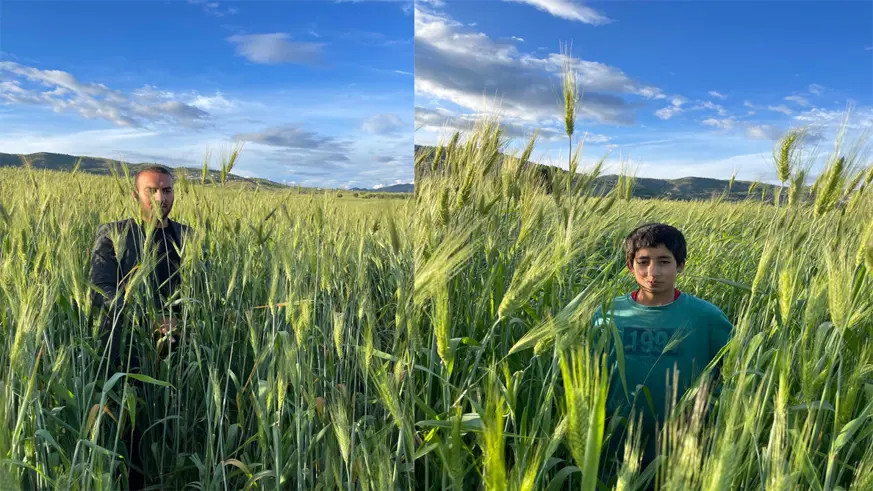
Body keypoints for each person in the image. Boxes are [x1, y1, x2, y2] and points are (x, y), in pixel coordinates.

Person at [592, 223, 734, 489]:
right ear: (629, 265)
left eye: (664, 262)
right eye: (643, 262)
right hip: (614, 445)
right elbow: (593, 375)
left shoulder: (707, 318)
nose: (653, 272)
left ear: (680, 265)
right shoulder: (608, 314)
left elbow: (734, 373)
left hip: (683, 447)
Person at [89, 164, 189, 490]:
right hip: (126, 354)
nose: (160, 197)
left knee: (171, 431)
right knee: (131, 434)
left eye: (167, 190)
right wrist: (149, 319)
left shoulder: (187, 236)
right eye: (152, 190)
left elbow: (199, 292)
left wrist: (183, 322)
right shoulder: (113, 233)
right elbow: (100, 291)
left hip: (177, 355)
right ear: (135, 195)